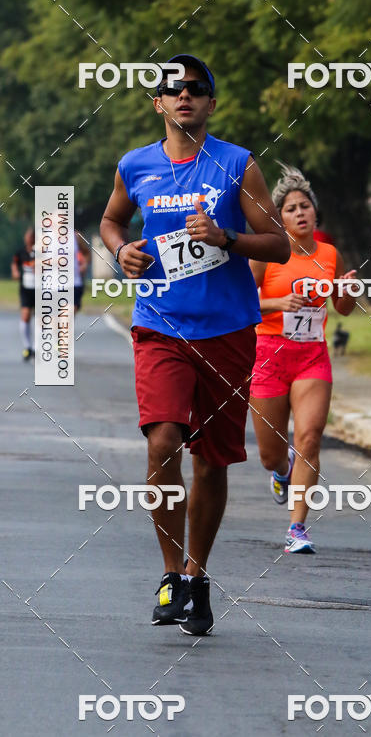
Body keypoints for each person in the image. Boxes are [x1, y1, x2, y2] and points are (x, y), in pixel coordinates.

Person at [100, 54, 289, 635]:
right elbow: (111, 220)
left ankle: (196, 572)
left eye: (196, 89)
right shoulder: (136, 165)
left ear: (211, 103)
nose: (184, 96)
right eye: (172, 90)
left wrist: (227, 236)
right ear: (156, 103)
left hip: (227, 329)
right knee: (162, 442)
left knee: (210, 460)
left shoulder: (238, 165)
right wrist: (120, 250)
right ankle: (168, 575)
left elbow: (279, 246)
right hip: (160, 323)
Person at [249, 165, 356, 553]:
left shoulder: (330, 255)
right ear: (280, 217)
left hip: (312, 356)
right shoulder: (268, 254)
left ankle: (297, 529)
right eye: (291, 208)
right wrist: (277, 301)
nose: (300, 213)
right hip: (268, 355)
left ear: (314, 212)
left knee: (309, 438)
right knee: (271, 453)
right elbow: (240, 302)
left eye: (305, 206)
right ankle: (281, 472)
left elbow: (343, 308)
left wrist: (348, 289)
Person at [11, 227, 36, 360]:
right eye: (27, 237)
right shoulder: (20, 252)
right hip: (26, 289)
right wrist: (15, 271)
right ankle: (27, 347)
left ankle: (38, 347)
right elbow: (14, 264)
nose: (29, 240)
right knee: (25, 316)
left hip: (41, 289)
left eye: (31, 237)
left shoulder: (42, 251)